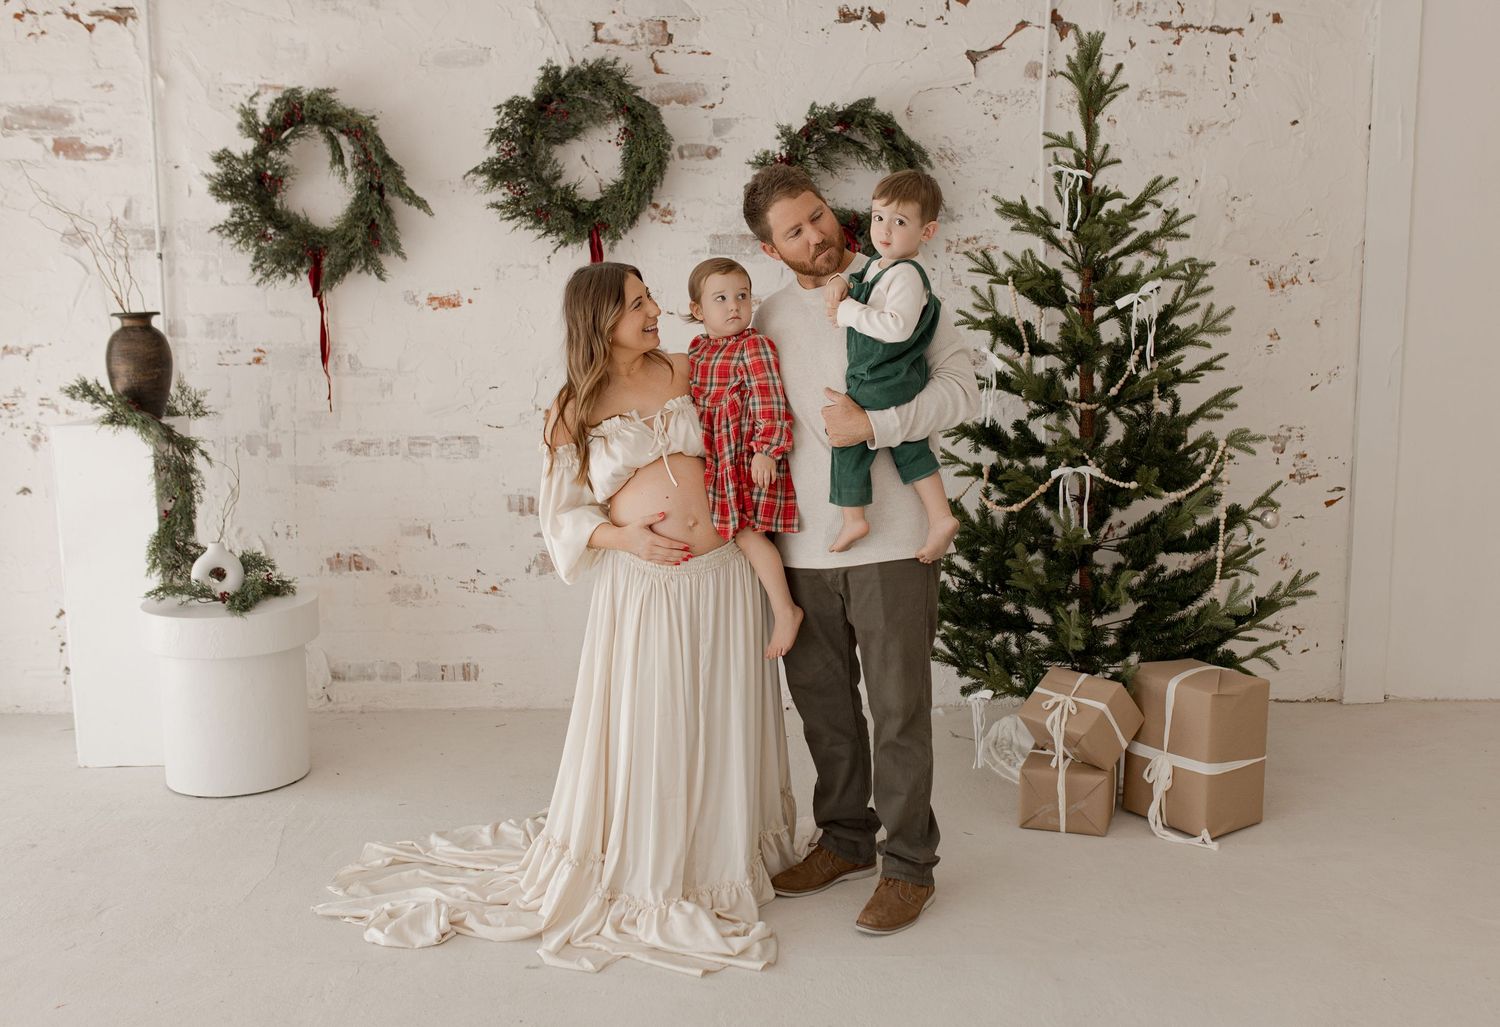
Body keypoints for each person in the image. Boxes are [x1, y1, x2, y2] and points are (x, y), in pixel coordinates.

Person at [313, 262, 798, 976]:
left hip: (722, 575)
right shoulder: (575, 406)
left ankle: (722, 852)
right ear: (600, 320)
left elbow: (743, 425)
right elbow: (562, 515)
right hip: (648, 585)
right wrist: (626, 537)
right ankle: (654, 857)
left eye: (649, 298)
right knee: (655, 720)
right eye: (635, 304)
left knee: (721, 712)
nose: (654, 311)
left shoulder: (688, 367)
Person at [743, 164, 979, 936]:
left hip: (895, 541)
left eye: (817, 214)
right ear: (770, 249)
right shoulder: (766, 318)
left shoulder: (899, 284)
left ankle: (908, 866)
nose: (816, 234)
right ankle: (845, 839)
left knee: (899, 708)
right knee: (825, 708)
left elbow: (963, 390)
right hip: (802, 547)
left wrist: (876, 427)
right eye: (794, 230)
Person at [823, 170, 961, 563]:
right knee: (910, 446)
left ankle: (854, 518)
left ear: (926, 231)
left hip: (883, 375)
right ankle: (941, 517)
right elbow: (861, 283)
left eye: (899, 222)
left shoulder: (907, 275)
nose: (884, 230)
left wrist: (849, 312)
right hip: (892, 376)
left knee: (845, 437)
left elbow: (897, 327)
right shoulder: (881, 265)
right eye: (878, 217)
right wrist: (840, 282)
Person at [684, 256, 803, 659]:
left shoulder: (754, 346)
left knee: (748, 534)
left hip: (745, 462)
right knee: (732, 538)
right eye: (721, 298)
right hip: (717, 465)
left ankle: (786, 611)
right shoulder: (698, 351)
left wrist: (766, 450)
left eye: (742, 296)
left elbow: (771, 401)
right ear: (698, 310)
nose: (734, 306)